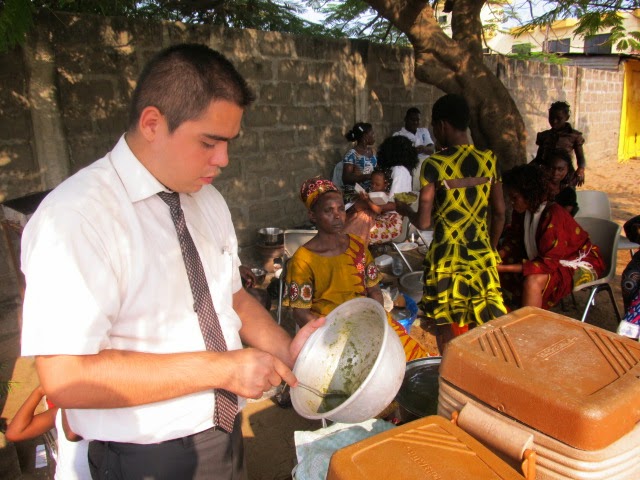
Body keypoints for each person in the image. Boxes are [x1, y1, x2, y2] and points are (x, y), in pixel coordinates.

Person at [19, 44, 323, 480]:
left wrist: (287, 351)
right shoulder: (76, 217)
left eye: (228, 143)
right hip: (147, 455)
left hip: (224, 429)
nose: (223, 160)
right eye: (208, 142)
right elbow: (65, 376)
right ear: (152, 123)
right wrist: (222, 368)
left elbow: (232, 298)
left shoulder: (207, 200)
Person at [396, 94, 507, 338]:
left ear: (442, 125)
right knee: (483, 327)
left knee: (447, 328)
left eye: (434, 127)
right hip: (480, 254)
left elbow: (424, 222)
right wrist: (490, 248)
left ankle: (450, 363)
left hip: (447, 257)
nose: (435, 134)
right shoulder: (489, 160)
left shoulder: (434, 165)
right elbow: (499, 213)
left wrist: (405, 210)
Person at [282, 177, 427, 361]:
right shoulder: (302, 260)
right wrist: (330, 333)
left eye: (341, 209)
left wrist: (376, 320)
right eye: (328, 210)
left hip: (366, 319)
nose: (337, 215)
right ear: (313, 215)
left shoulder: (357, 246)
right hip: (330, 330)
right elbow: (300, 312)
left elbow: (374, 291)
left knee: (413, 357)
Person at [498, 163, 606, 310]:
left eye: (514, 197)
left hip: (576, 262)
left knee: (533, 281)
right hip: (548, 259)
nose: (511, 202)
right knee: (497, 268)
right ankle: (511, 311)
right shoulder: (521, 211)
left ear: (529, 194)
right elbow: (514, 240)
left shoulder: (554, 215)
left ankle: (529, 322)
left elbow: (548, 263)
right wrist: (497, 257)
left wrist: (504, 268)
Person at [6, 386, 89, 480]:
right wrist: (40, 391)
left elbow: (72, 435)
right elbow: (15, 433)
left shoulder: (67, 410)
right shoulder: (60, 411)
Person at [533, 101, 586, 187]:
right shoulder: (544, 136)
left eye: (559, 118)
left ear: (567, 117)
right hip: (547, 175)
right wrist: (526, 169)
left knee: (566, 194)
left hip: (566, 176)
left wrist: (581, 169)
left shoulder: (574, 136)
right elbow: (539, 158)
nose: (554, 121)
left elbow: (580, 157)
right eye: (551, 118)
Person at [393, 107, 435, 191]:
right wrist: (412, 151)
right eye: (412, 120)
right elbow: (397, 156)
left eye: (417, 120)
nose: (415, 122)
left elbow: (432, 149)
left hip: (427, 164)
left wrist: (424, 149)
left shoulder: (423, 131)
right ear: (406, 119)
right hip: (412, 165)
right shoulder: (398, 135)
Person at [342, 122, 377, 192]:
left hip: (372, 190)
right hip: (357, 193)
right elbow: (346, 178)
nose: (374, 136)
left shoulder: (373, 151)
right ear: (365, 136)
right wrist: (366, 176)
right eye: (372, 134)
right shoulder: (352, 154)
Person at [545, 149, 579, 216]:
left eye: (560, 169)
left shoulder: (568, 194)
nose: (555, 173)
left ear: (567, 170)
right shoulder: (537, 189)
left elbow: (563, 217)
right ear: (545, 168)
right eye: (551, 168)